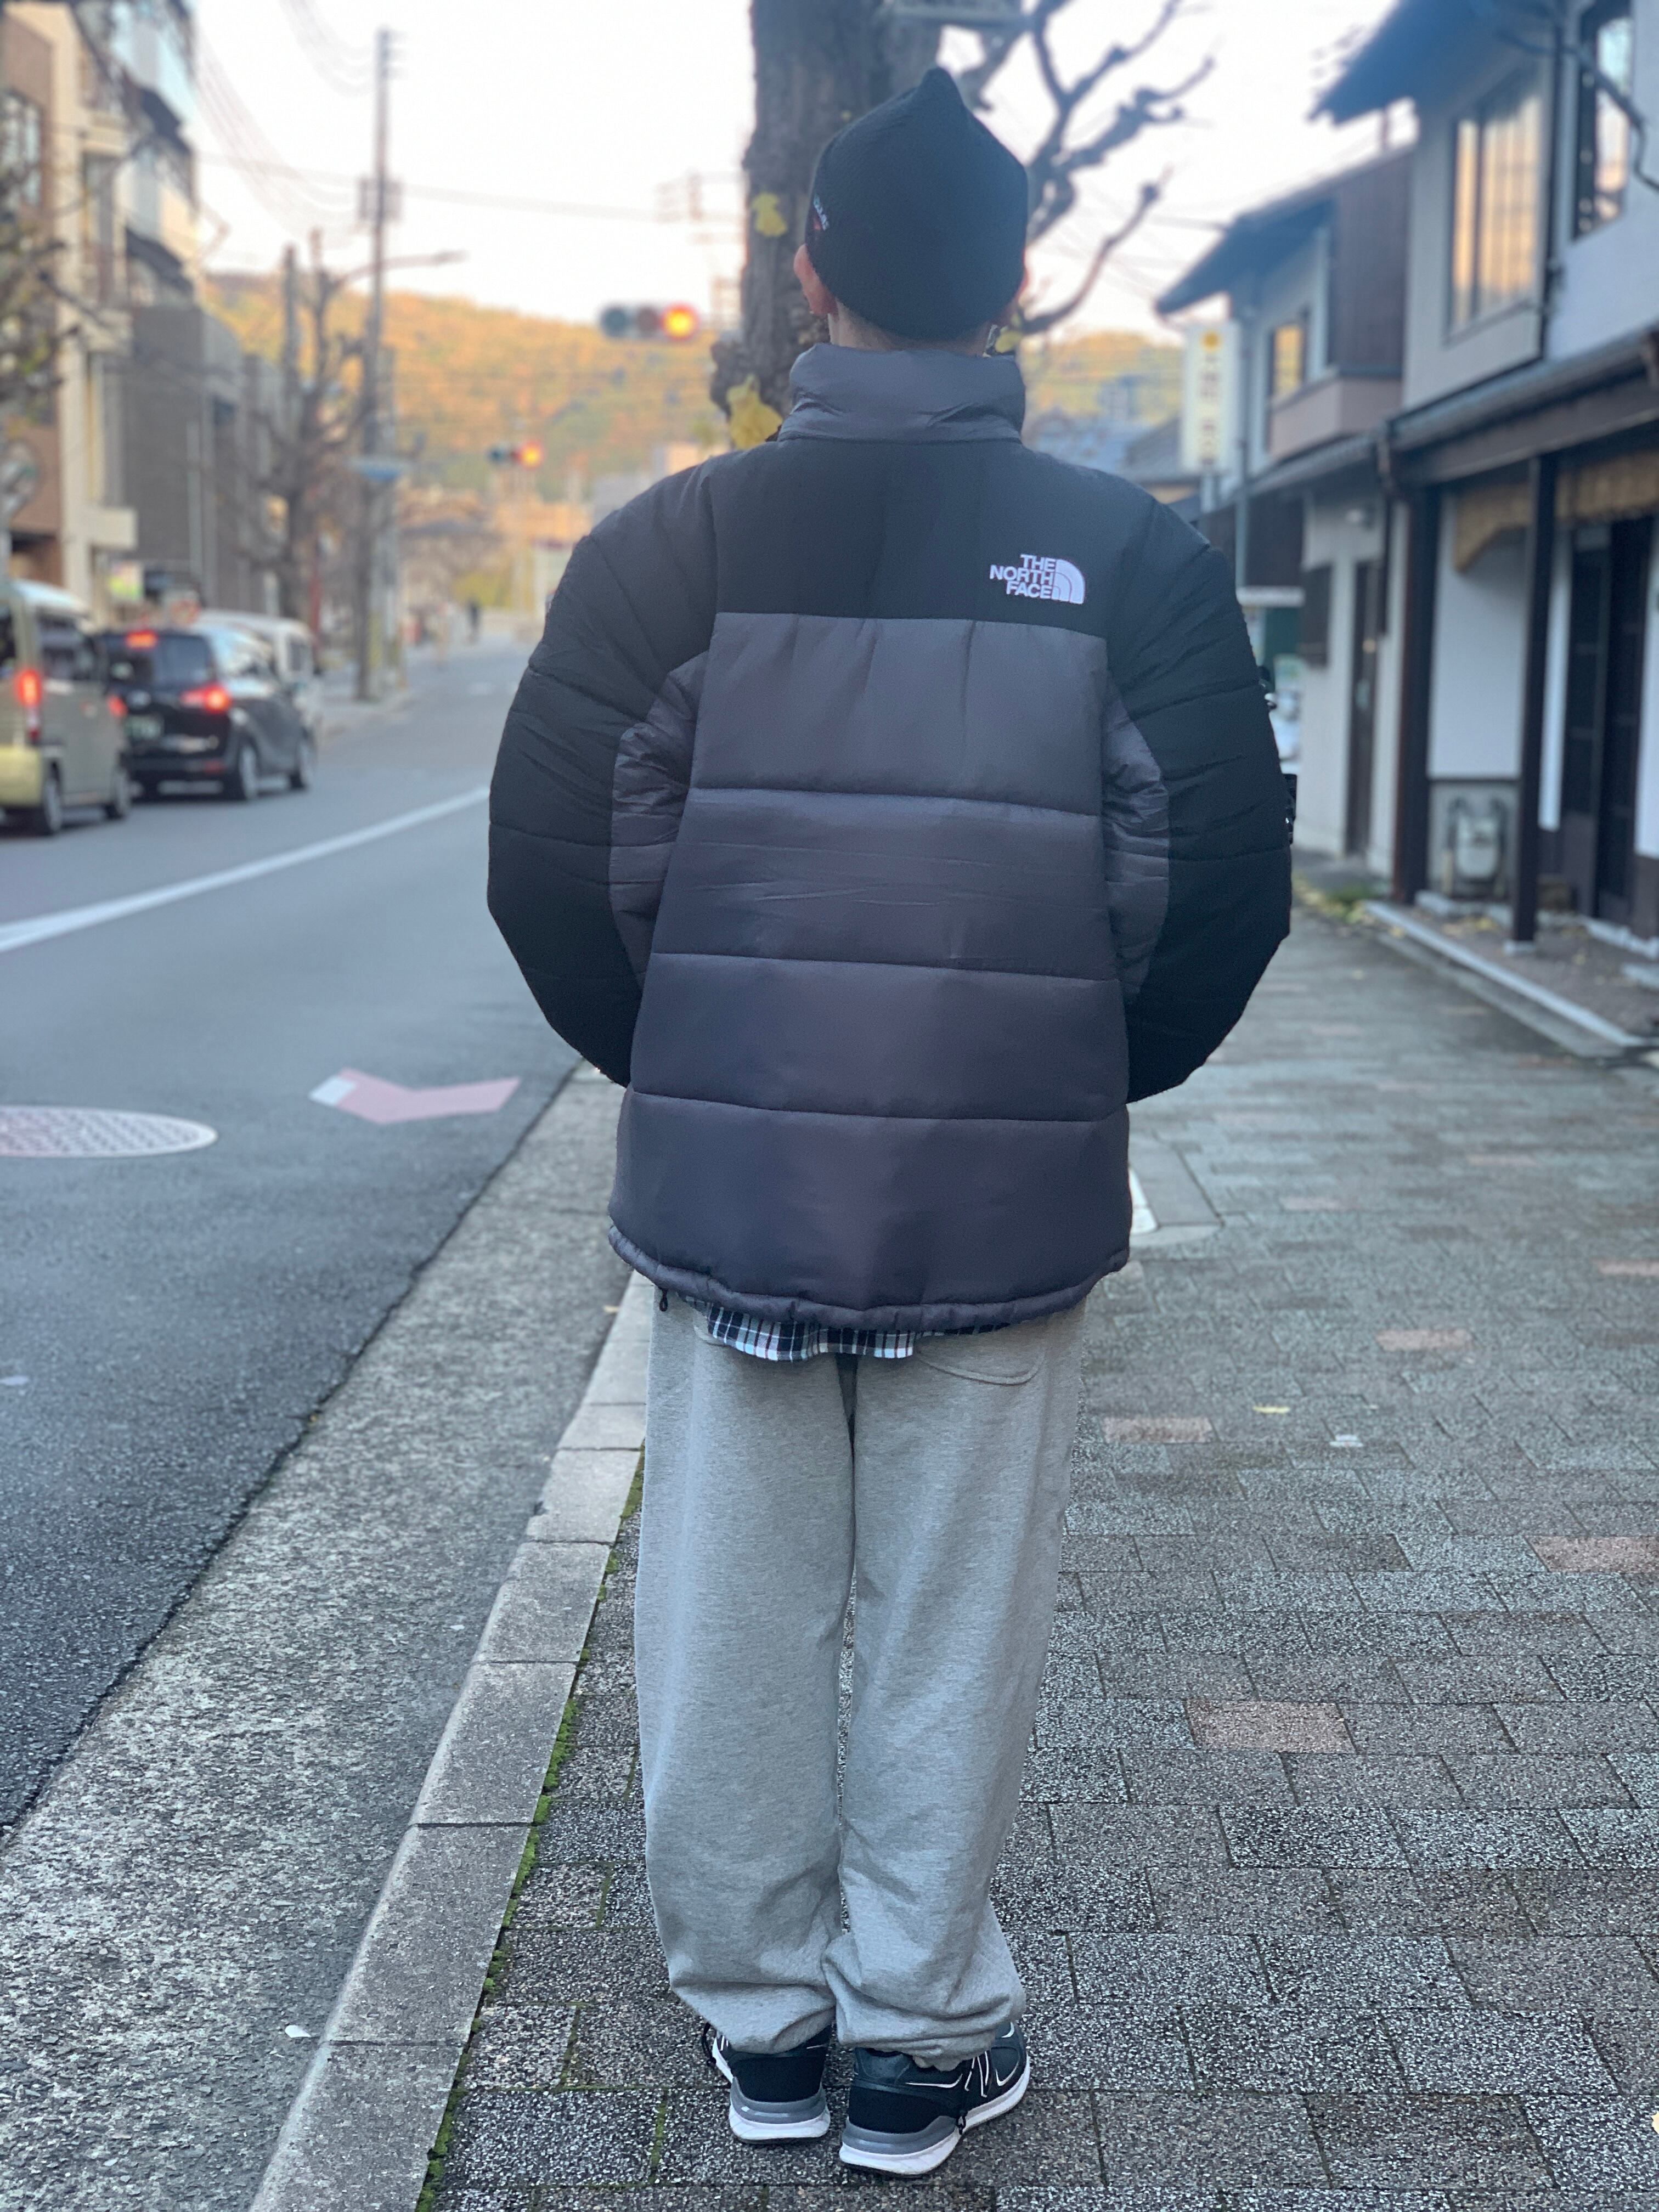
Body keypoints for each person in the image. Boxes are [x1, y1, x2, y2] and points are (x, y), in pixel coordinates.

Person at [489, 67, 1288, 2179]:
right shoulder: (1131, 559)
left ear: (811, 278)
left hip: (734, 1192)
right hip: (996, 1209)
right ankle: (921, 2040)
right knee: (952, 1621)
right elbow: (1214, 890)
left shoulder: (667, 551)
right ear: (1013, 287)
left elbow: (558, 876)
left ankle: (763, 2029)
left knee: (730, 1617)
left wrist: (700, 1072)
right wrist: (1064, 1079)